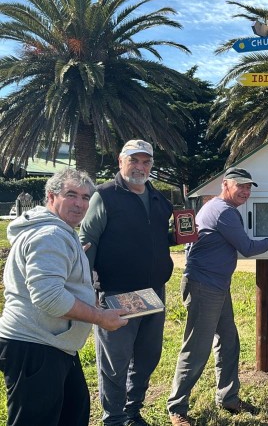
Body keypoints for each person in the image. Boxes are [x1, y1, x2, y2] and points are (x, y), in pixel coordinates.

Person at [0, 168, 128, 426]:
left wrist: (76, 265)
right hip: (36, 346)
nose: (80, 204)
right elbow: (50, 298)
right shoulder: (50, 235)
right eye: (71, 195)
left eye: (85, 197)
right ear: (51, 196)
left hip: (54, 344)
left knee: (72, 412)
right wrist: (100, 317)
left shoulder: (59, 233)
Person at [167, 167, 268, 426]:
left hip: (216, 285)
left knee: (228, 341)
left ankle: (228, 397)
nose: (245, 192)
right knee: (196, 347)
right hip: (205, 286)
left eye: (248, 188)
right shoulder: (224, 212)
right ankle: (177, 407)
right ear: (226, 184)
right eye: (241, 186)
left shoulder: (218, 208)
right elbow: (247, 247)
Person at [79, 139, 175, 426]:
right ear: (120, 162)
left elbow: (157, 238)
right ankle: (114, 418)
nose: (140, 167)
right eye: (134, 160)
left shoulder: (159, 199)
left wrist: (180, 236)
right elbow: (88, 240)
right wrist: (86, 288)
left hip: (153, 292)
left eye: (146, 162)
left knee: (147, 357)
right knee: (115, 362)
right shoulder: (105, 195)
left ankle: (133, 412)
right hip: (117, 292)